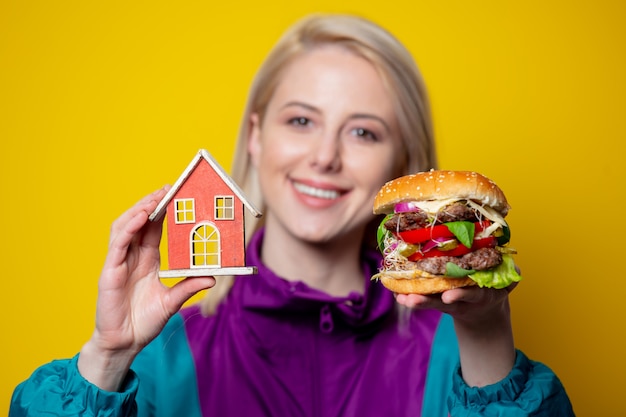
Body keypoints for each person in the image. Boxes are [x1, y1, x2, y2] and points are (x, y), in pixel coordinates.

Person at [10, 14, 574, 416]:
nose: (324, 157)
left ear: (402, 164)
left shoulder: (456, 350)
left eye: (362, 132)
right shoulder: (164, 350)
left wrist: (486, 330)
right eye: (301, 121)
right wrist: (108, 357)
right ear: (256, 137)